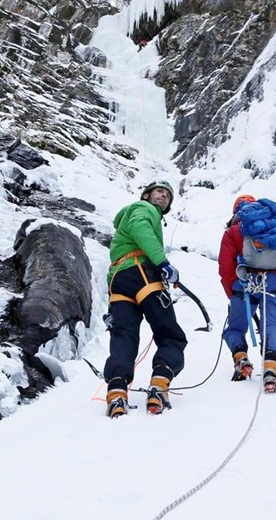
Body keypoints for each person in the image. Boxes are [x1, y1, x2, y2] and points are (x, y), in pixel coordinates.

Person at [103, 179, 187, 417]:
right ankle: (159, 386)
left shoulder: (128, 216)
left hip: (119, 281)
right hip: (142, 274)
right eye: (160, 192)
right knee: (170, 335)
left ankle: (116, 392)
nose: (164, 197)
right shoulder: (143, 209)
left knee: (124, 337)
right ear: (147, 195)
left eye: (168, 196)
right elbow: (141, 229)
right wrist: (163, 263)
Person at [218, 195, 276, 393]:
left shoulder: (233, 232)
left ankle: (241, 359)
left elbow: (225, 267)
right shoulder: (275, 228)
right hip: (274, 283)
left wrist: (232, 292)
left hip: (244, 284)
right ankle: (271, 368)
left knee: (236, 327)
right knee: (271, 325)